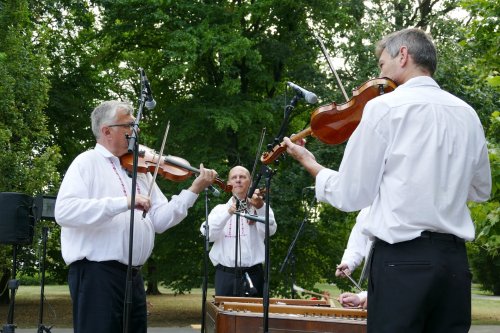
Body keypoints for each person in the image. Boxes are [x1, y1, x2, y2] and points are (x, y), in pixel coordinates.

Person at [283, 28, 491, 333]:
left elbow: (351, 195)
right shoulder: (468, 114)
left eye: (382, 64)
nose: (380, 73)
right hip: (454, 264)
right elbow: (481, 189)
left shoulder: (383, 108)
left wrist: (311, 164)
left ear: (403, 55)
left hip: (402, 261)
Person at [55, 100, 218, 333]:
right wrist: (125, 202)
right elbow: (65, 212)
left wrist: (193, 190)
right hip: (97, 275)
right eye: (129, 125)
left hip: (133, 277)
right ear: (107, 130)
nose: (135, 131)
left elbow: (160, 220)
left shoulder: (139, 172)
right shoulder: (86, 162)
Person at [200, 165, 277, 297]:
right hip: (225, 275)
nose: (238, 180)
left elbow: (271, 230)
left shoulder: (259, 207)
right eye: (234, 177)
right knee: (225, 316)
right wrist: (228, 212)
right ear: (229, 183)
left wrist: (260, 207)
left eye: (242, 177)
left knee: (254, 316)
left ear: (251, 182)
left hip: (253, 274)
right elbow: (208, 234)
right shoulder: (219, 209)